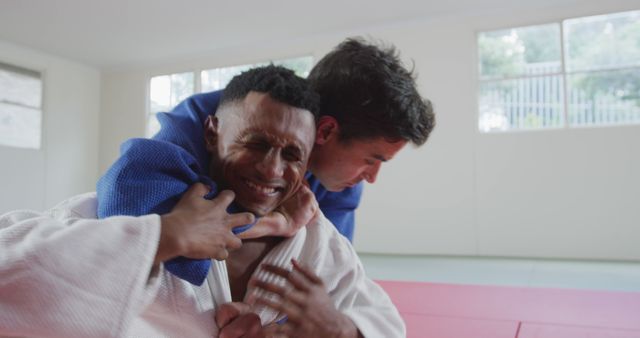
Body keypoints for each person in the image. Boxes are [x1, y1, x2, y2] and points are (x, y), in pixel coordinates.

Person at [0, 66, 404, 337]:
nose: (270, 169)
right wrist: (164, 237)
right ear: (212, 133)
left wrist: (341, 330)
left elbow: (386, 324)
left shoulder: (322, 246)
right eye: (256, 143)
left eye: (292, 155)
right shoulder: (136, 207)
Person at [151, 37, 435, 242]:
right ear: (325, 132)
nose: (371, 177)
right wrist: (275, 225)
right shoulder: (206, 119)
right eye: (372, 160)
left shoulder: (340, 185)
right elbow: (143, 232)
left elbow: (326, 271)